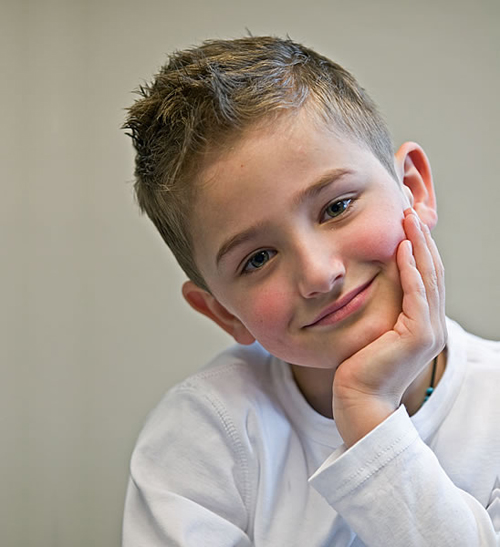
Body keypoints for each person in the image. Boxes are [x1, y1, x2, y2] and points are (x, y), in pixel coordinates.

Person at [121, 36, 500, 546]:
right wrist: (367, 403)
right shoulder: (203, 436)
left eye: (337, 207)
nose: (320, 275)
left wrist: (370, 416)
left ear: (413, 188)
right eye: (258, 259)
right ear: (224, 314)